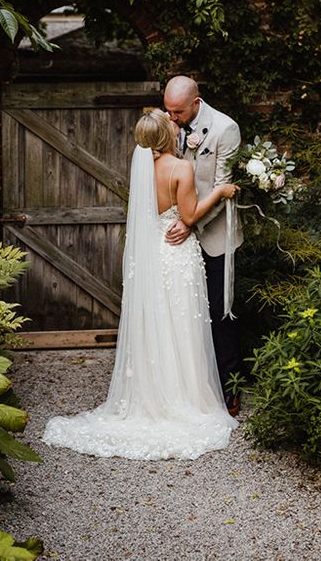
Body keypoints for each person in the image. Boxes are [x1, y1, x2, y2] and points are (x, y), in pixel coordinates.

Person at [42, 109, 239, 460]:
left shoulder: (143, 168)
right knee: (182, 326)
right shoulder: (181, 168)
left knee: (159, 324)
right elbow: (190, 216)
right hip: (177, 257)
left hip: (153, 253)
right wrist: (221, 191)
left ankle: (155, 393)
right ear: (167, 136)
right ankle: (186, 396)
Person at [163, 75, 244, 415]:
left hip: (214, 234)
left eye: (177, 111)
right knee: (184, 313)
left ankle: (232, 386)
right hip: (179, 234)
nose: (171, 118)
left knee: (218, 311)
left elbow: (223, 188)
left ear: (196, 103)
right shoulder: (168, 122)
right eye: (167, 110)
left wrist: (190, 221)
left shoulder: (225, 129)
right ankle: (194, 386)